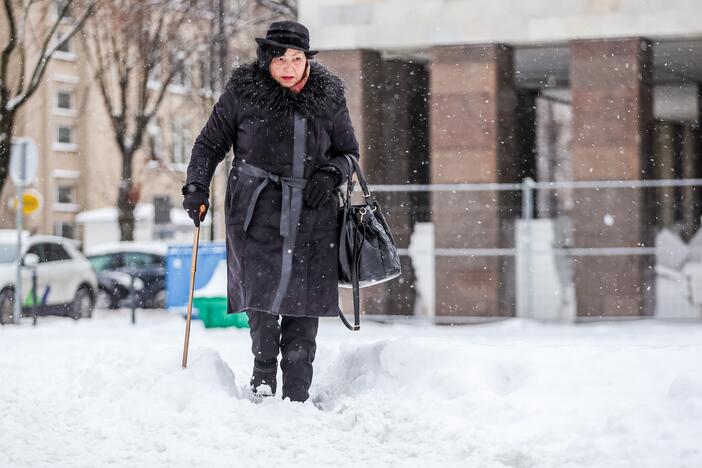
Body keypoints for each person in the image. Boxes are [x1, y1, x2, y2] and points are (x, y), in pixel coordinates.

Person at [181, 21, 360, 403]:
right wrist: (196, 187)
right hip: (254, 212)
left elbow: (349, 154)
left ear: (307, 60)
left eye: (296, 58)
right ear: (267, 59)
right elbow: (209, 143)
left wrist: (331, 174)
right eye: (280, 58)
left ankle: (297, 392)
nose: (288, 66)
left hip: (313, 215)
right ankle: (263, 375)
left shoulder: (329, 97)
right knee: (261, 300)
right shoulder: (242, 94)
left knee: (304, 304)